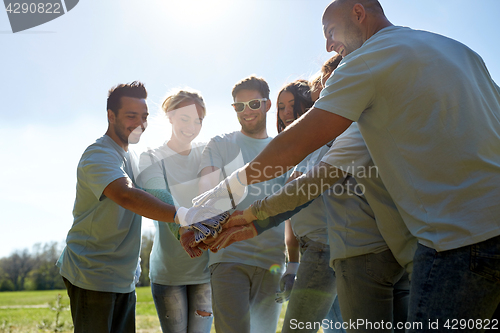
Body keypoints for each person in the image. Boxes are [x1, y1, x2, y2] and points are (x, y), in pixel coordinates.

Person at [202, 0, 500, 330]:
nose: (329, 45)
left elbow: (296, 147)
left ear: (359, 12)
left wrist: (220, 198)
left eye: (330, 31)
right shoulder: (458, 50)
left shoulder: (366, 61)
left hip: (459, 243)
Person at [57, 82, 185, 333]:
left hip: (123, 278)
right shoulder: (98, 155)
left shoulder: (131, 157)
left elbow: (155, 195)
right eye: (131, 116)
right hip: (92, 275)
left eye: (144, 117)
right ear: (111, 115)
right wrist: (183, 216)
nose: (140, 123)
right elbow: (126, 195)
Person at [197, 75, 287, 333]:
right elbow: (207, 190)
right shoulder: (220, 143)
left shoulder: (284, 148)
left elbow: (292, 203)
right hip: (227, 256)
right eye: (239, 106)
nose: (246, 112)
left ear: (268, 105)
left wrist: (293, 262)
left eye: (254, 104)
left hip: (271, 260)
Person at [137, 89, 213, 333]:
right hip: (169, 272)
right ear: (170, 116)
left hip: (205, 270)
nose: (192, 126)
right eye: (184, 118)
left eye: (198, 120)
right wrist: (182, 230)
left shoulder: (208, 153)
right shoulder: (151, 157)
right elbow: (160, 197)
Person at [275, 79, 345, 333]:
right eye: (281, 106)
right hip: (312, 248)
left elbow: (303, 192)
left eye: (293, 104)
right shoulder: (292, 154)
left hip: (324, 247)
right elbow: (291, 217)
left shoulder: (327, 141)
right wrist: (292, 264)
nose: (286, 112)